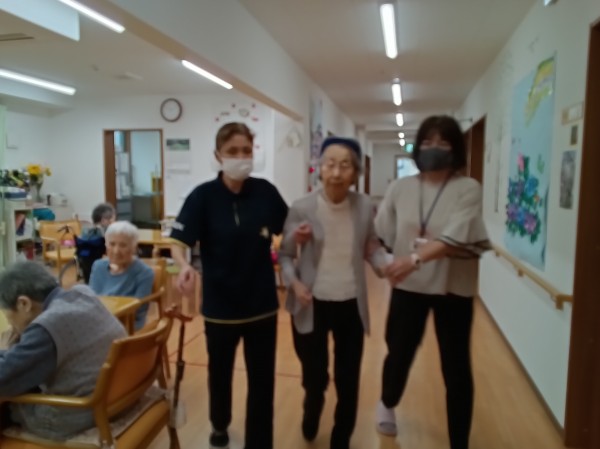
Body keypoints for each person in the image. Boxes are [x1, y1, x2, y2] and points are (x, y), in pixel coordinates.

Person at [374, 115, 491, 449]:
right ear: (417, 147)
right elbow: (381, 232)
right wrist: (383, 262)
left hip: (453, 288)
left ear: (456, 149)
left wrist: (413, 259)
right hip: (409, 288)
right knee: (399, 352)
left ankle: (459, 440)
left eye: (443, 142)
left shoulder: (467, 188)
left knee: (456, 366)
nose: (434, 148)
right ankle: (387, 402)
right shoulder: (400, 188)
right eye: (427, 141)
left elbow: (456, 236)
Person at [170, 122, 288, 449]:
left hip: (261, 304)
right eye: (232, 151)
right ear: (218, 155)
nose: (240, 157)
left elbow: (288, 228)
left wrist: (299, 237)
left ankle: (259, 441)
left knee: (262, 380)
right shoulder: (203, 197)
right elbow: (178, 242)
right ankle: (219, 424)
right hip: (220, 306)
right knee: (219, 373)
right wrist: (184, 267)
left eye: (246, 150)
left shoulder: (265, 192)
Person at [279, 137, 388, 449]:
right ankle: (312, 406)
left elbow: (371, 245)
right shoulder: (302, 207)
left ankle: (342, 436)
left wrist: (386, 266)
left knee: (348, 378)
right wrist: (295, 283)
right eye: (330, 164)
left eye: (345, 165)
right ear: (319, 169)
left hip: (350, 303)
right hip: (310, 302)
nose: (337, 172)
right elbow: (285, 254)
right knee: (315, 377)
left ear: (356, 173)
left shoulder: (364, 206)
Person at [0, 261, 126, 440]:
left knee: (7, 403)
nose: (11, 324)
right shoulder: (83, 293)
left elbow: (5, 378)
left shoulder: (45, 327)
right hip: (117, 397)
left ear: (24, 304)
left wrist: (7, 349)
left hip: (76, 414)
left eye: (8, 316)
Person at [89, 221, 154, 330]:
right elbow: (91, 299)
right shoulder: (98, 266)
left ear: (133, 248)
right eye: (112, 244)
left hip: (127, 324)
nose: (116, 251)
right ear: (106, 245)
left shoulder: (145, 273)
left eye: (123, 245)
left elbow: (138, 309)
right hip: (98, 320)